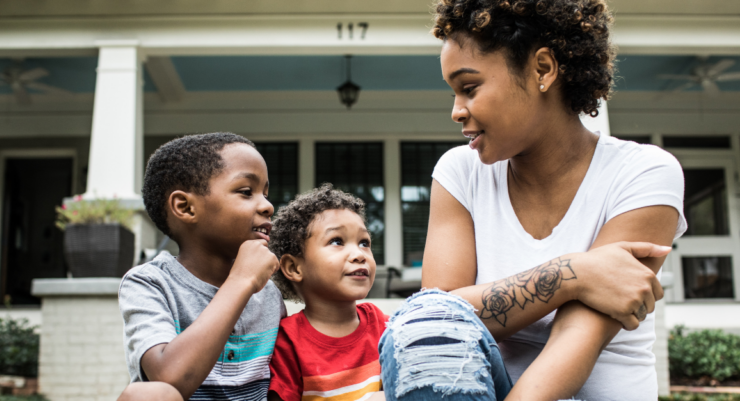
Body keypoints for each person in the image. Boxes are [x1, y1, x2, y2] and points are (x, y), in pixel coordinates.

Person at [379, 0, 686, 400]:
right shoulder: (460, 172)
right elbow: (438, 321)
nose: (456, 111)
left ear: (542, 69)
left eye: (469, 88)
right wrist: (571, 273)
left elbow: (576, 337)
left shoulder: (642, 172)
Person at [116, 132, 285, 401]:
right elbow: (169, 379)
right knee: (146, 395)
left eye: (265, 193)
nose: (267, 206)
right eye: (246, 192)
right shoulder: (149, 283)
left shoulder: (269, 294)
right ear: (185, 207)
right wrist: (241, 282)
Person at [267, 184, 387, 401]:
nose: (359, 254)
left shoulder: (383, 326)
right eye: (337, 241)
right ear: (294, 268)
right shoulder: (287, 342)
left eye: (364, 242)